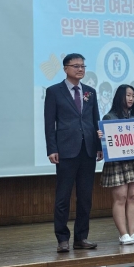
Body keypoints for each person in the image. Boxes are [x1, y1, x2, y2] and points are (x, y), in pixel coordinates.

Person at [44, 53, 103, 253]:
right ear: (65, 68)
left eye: (83, 66)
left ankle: (81, 237)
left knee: (85, 197)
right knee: (63, 197)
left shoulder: (90, 92)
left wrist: (99, 146)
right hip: (66, 151)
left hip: (87, 150)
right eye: (76, 66)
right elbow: (49, 123)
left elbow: (95, 120)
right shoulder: (54, 92)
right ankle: (62, 239)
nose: (80, 69)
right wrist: (52, 148)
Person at [97, 84, 134, 244]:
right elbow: (104, 144)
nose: (131, 98)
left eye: (133, 96)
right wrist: (100, 138)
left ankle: (133, 232)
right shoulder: (109, 118)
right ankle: (123, 234)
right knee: (121, 197)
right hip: (117, 163)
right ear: (120, 96)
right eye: (128, 95)